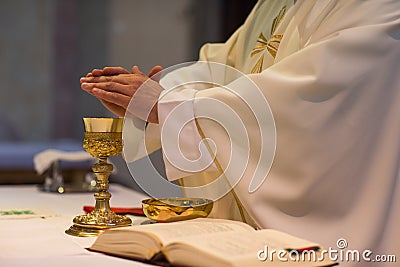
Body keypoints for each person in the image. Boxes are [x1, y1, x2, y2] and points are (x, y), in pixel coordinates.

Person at [81, 0, 400, 265]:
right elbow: (223, 68)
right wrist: (160, 95)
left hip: (338, 234)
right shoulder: (277, 5)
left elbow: (311, 99)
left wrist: (170, 106)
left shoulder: (375, 7)